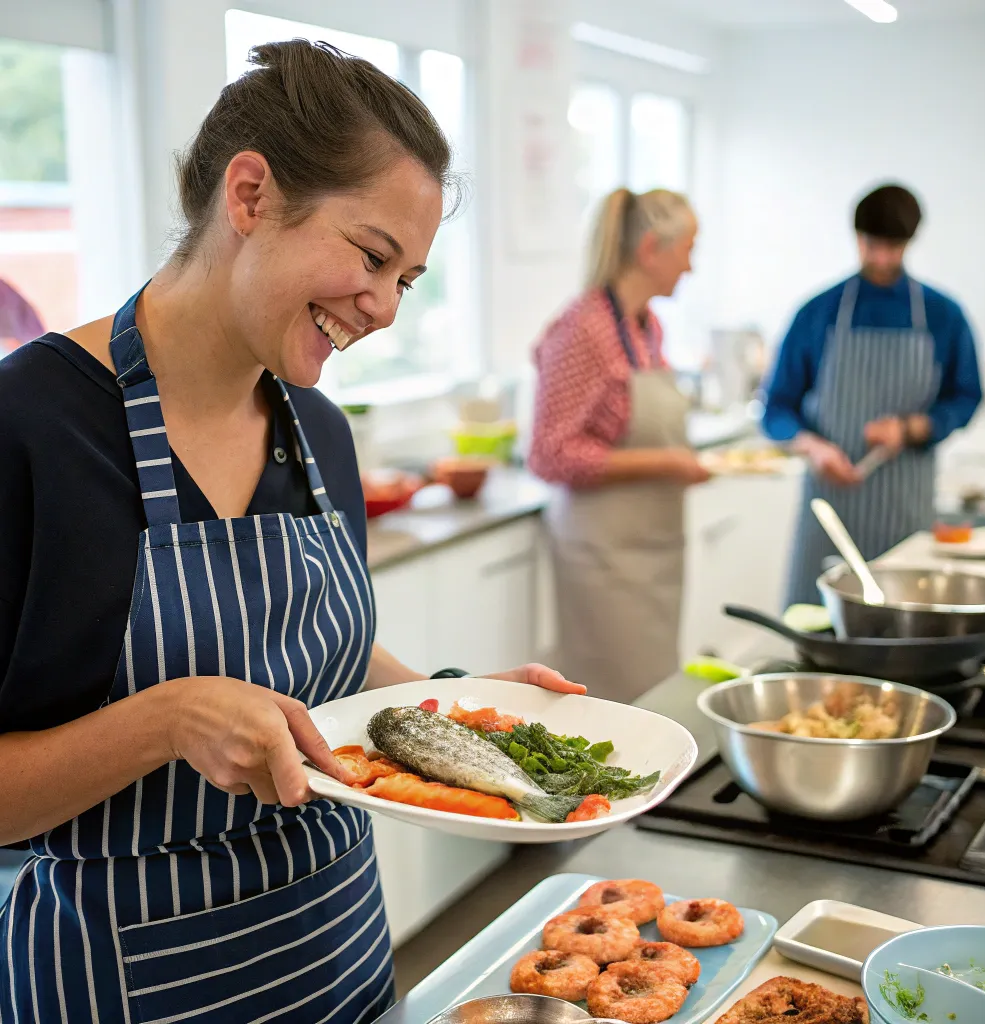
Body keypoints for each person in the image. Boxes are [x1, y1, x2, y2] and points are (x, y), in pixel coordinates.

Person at [0, 40, 581, 1024]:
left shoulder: (318, 433)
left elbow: (314, 662)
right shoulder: (32, 428)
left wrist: (458, 702)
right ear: (252, 194)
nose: (387, 308)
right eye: (371, 255)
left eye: (409, 278)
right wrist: (166, 717)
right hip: (125, 981)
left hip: (339, 955)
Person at [529, 188, 710, 703]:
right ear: (652, 249)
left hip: (651, 552)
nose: (691, 266)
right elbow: (548, 453)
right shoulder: (583, 328)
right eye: (688, 249)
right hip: (603, 560)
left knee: (651, 694)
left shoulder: (647, 326)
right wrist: (667, 461)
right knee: (613, 702)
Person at [763, 184, 983, 608]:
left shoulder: (943, 316)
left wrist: (911, 427)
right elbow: (776, 407)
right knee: (814, 622)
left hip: (904, 512)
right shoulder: (818, 313)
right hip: (828, 513)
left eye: (893, 247)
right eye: (871, 245)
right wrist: (812, 446)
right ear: (857, 237)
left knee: (904, 621)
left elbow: (966, 397)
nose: (881, 258)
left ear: (910, 243)